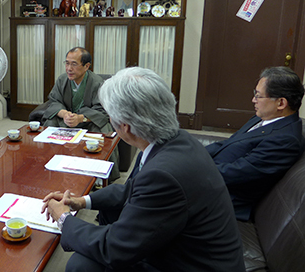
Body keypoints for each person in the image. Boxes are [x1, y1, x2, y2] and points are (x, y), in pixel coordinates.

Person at [41, 67, 245, 272]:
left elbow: (113, 249)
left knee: (82, 265)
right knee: (103, 223)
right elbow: (133, 188)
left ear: (125, 126)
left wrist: (64, 218)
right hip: (187, 246)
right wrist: (82, 201)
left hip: (190, 264)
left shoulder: (164, 174)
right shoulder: (178, 141)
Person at [206, 66, 305, 221]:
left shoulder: (285, 141)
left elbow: (238, 172)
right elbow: (228, 144)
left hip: (222, 198)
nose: (253, 100)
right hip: (211, 179)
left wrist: (195, 169)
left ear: (281, 103)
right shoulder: (262, 117)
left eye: (258, 96)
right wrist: (196, 155)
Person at [42, 47, 120, 180]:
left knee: (102, 129)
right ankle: (49, 163)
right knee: (50, 123)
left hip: (88, 122)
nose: (69, 68)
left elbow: (102, 110)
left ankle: (99, 176)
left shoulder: (98, 83)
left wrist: (81, 118)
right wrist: (64, 114)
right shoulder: (62, 80)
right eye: (67, 63)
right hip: (67, 121)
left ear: (86, 66)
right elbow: (54, 101)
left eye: (74, 64)